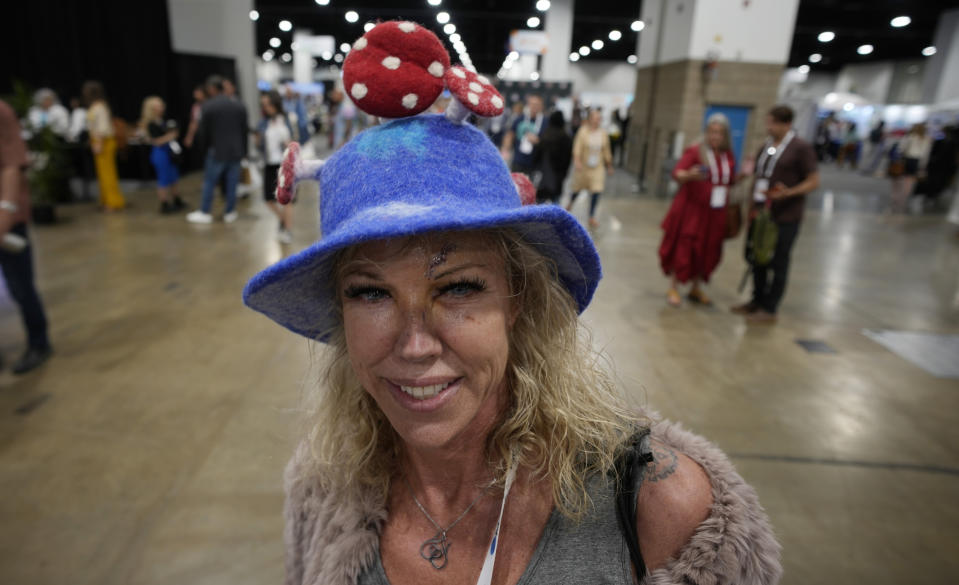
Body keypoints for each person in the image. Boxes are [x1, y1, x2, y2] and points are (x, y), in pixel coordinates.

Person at [243, 21, 781, 585]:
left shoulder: (661, 511)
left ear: (519, 296)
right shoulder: (324, 487)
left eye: (457, 287)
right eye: (371, 293)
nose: (416, 344)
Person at [732, 105, 819, 323]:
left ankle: (770, 308)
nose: (767, 127)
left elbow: (813, 181)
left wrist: (790, 192)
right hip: (762, 213)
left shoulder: (800, 148)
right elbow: (756, 176)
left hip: (786, 216)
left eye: (771, 123)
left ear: (785, 124)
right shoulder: (766, 146)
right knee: (757, 257)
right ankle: (757, 299)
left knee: (778, 260)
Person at [659, 113, 737, 307]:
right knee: (685, 246)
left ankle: (696, 287)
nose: (715, 136)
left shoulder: (727, 155)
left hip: (716, 212)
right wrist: (690, 175)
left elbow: (730, 180)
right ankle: (674, 287)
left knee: (708, 248)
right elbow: (678, 173)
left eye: (719, 133)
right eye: (712, 132)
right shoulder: (696, 151)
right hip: (692, 210)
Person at [0, 100, 53, 374]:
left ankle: (39, 343)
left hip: (7, 220)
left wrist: (5, 213)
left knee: (20, 286)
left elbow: (13, 165)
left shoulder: (2, 112)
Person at [187, 75, 248, 224]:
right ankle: (230, 211)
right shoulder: (239, 105)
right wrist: (243, 151)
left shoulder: (208, 106)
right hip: (236, 151)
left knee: (209, 182)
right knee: (232, 183)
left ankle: (205, 212)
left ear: (212, 89)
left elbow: (203, 132)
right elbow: (244, 131)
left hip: (216, 151)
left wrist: (204, 149)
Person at [256, 90, 294, 243]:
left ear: (276, 104)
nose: (266, 108)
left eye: (269, 104)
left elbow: (294, 140)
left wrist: (289, 144)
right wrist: (257, 141)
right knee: (268, 199)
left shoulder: (286, 119)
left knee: (287, 200)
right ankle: (284, 221)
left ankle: (288, 230)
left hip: (284, 164)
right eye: (264, 105)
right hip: (269, 164)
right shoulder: (263, 122)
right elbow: (259, 145)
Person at [567, 108, 613, 229]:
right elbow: (577, 147)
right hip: (584, 166)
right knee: (577, 188)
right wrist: (577, 161)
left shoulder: (603, 133)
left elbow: (606, 150)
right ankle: (570, 203)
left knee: (597, 190)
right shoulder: (583, 132)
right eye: (595, 118)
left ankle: (591, 215)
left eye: (599, 118)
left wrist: (609, 165)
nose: (598, 121)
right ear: (590, 119)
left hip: (597, 166)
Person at [83, 81, 125, 212]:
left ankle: (114, 202)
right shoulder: (96, 106)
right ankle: (106, 200)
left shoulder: (100, 107)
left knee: (108, 174)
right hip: (98, 141)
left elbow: (102, 127)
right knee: (102, 174)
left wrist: (99, 143)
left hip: (104, 142)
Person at [138, 96, 185, 214]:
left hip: (168, 151)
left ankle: (176, 199)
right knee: (163, 179)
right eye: (158, 106)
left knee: (173, 177)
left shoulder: (162, 121)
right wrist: (170, 136)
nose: (162, 107)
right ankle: (164, 203)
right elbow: (156, 141)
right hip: (160, 153)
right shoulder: (150, 124)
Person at [888, 123, 932, 215]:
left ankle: (896, 198)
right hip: (916, 162)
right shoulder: (926, 139)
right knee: (909, 181)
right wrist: (922, 166)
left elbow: (901, 149)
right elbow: (925, 155)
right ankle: (903, 199)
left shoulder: (910, 137)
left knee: (898, 180)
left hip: (907, 159)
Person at [532, 110, 572, 204]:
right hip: (558, 178)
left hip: (544, 177)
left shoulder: (545, 135)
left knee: (540, 204)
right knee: (556, 202)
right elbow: (568, 160)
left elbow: (537, 156)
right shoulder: (566, 138)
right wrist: (564, 174)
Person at [501, 94, 545, 174]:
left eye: (537, 104)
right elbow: (510, 134)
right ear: (528, 105)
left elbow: (548, 141)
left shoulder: (545, 121)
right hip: (518, 160)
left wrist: (538, 141)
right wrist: (506, 148)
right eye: (532, 104)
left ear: (541, 106)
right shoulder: (520, 118)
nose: (534, 106)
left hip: (535, 163)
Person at [183, 85, 206, 150]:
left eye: (197, 94)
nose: (195, 96)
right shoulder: (196, 107)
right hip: (201, 135)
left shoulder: (211, 105)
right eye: (195, 94)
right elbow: (194, 122)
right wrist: (189, 137)